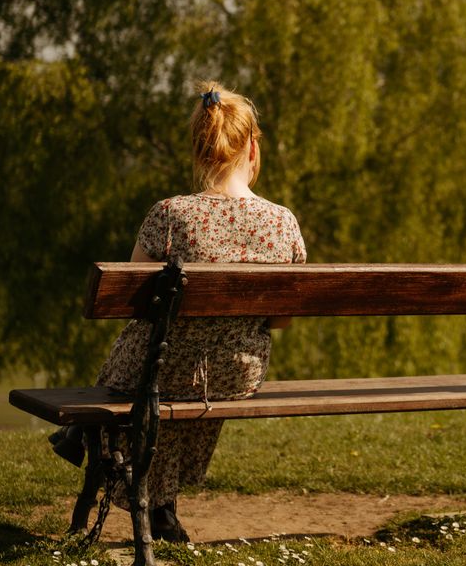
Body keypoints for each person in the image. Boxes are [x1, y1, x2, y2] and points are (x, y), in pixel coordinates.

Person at [52, 81, 306, 542]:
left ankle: (106, 455)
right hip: (237, 375)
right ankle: (163, 505)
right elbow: (282, 319)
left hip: (162, 371)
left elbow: (133, 302)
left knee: (148, 354)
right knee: (177, 364)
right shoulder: (282, 222)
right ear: (252, 147)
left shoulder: (170, 214)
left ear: (199, 147)